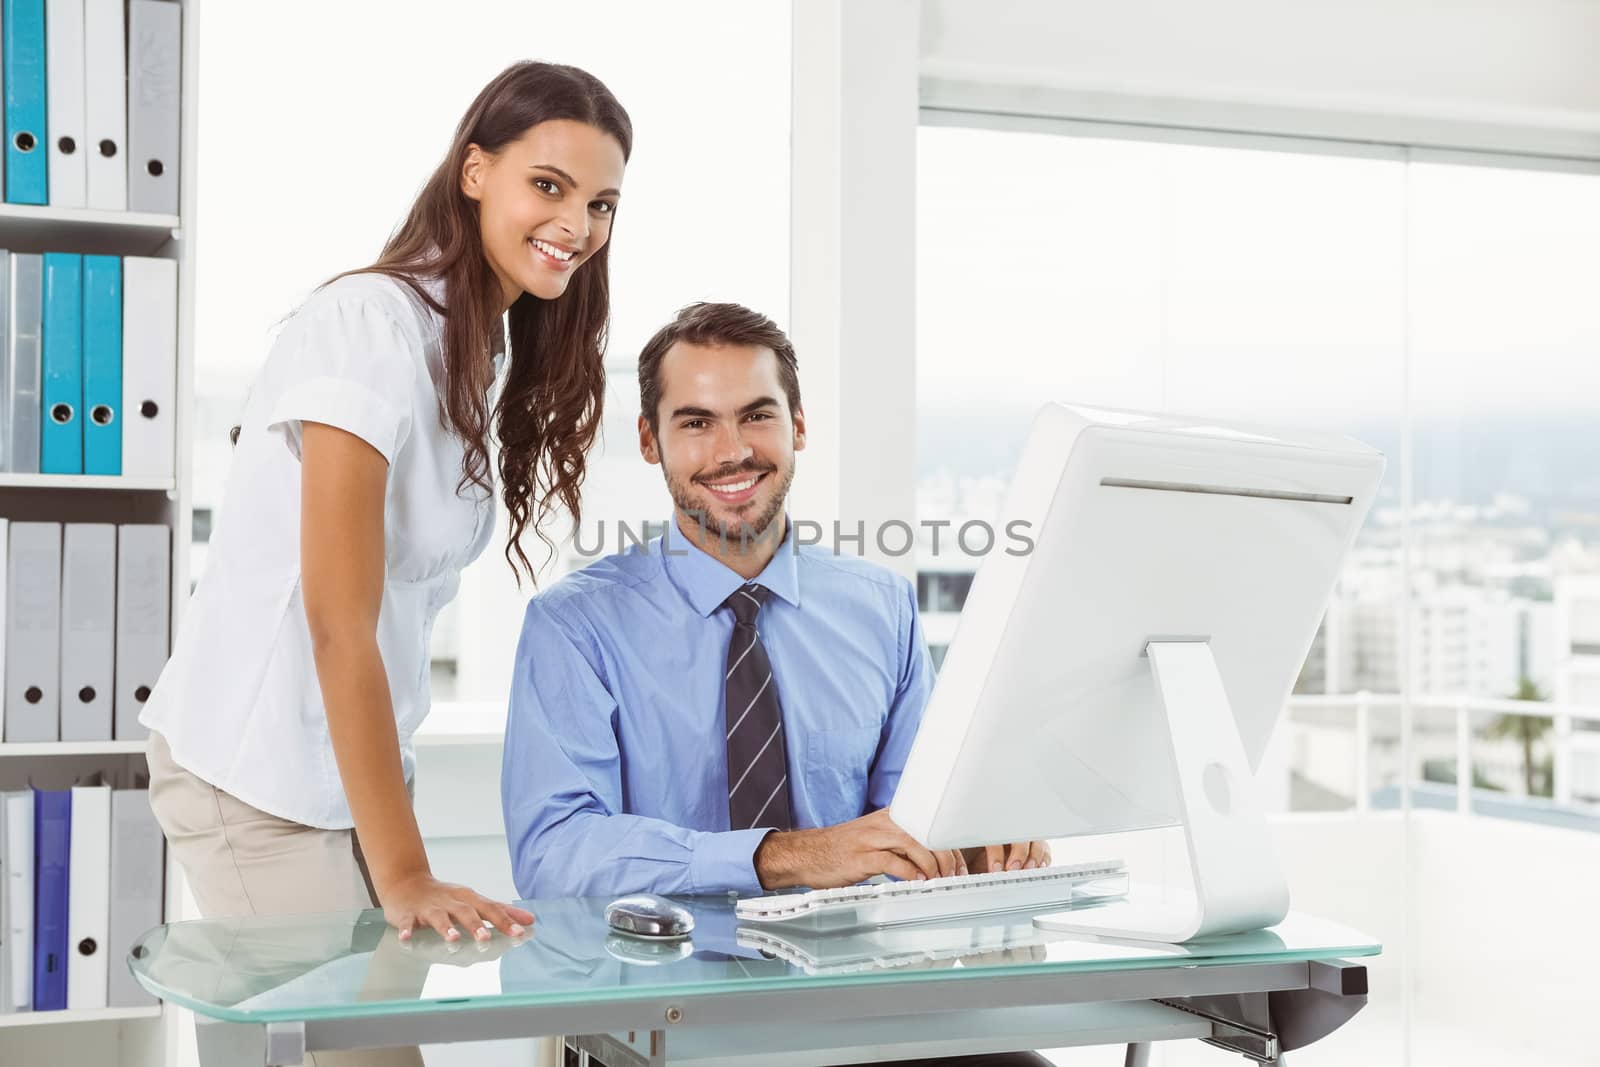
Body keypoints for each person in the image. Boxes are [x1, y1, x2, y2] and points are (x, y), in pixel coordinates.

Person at [142, 61, 630, 1013]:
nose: (577, 226)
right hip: (259, 781)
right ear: (475, 171)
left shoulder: (478, 350)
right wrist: (405, 871)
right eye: (549, 186)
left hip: (344, 792)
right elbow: (338, 617)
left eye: (602, 204)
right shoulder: (367, 325)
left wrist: (392, 845)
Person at [501, 302, 1051, 899]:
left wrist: (974, 840)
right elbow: (553, 855)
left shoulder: (882, 610)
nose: (732, 450)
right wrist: (778, 858)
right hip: (659, 983)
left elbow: (913, 823)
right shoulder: (577, 626)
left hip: (846, 981)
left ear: (799, 425)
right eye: (695, 423)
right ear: (649, 440)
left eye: (757, 415)